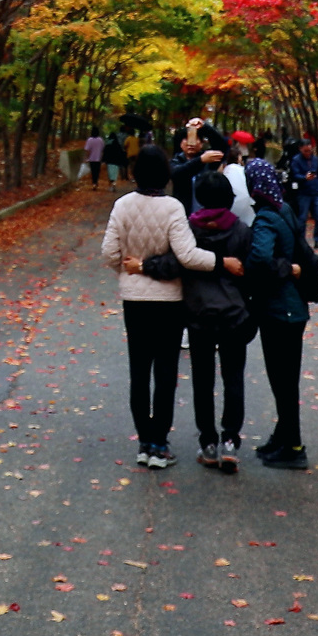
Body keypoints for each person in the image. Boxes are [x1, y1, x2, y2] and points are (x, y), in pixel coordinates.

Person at [101, 144, 218, 471]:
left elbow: (109, 254)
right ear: (166, 173)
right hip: (169, 302)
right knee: (166, 373)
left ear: (136, 172)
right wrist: (220, 262)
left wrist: (131, 269)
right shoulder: (173, 208)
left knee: (139, 371)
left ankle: (143, 441)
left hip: (134, 302)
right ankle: (159, 444)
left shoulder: (122, 205)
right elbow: (188, 256)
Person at [139, 170, 254, 473]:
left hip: (198, 314)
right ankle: (230, 441)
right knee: (233, 378)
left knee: (203, 381)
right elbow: (249, 273)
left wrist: (143, 265)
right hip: (233, 313)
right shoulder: (241, 230)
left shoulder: (189, 229)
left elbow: (174, 263)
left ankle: (209, 443)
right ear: (229, 197)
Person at [245, 157, 314, 469]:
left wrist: (285, 269)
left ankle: (294, 446)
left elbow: (260, 258)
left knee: (282, 380)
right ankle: (282, 437)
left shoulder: (265, 218)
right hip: (294, 309)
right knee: (286, 380)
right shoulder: (284, 209)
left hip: (278, 311)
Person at [290, 137, 318, 250]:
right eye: (305, 151)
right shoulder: (296, 160)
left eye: (310, 150)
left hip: (315, 192)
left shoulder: (315, 159)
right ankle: (301, 241)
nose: (308, 153)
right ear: (300, 149)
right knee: (302, 218)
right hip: (303, 193)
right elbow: (294, 175)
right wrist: (304, 178)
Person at [171, 121, 209, 213]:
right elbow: (177, 173)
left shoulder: (208, 160)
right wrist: (200, 161)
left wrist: (205, 126)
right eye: (186, 139)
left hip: (204, 214)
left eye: (195, 139)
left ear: (201, 143)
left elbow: (221, 146)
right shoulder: (175, 161)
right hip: (182, 213)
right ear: (180, 144)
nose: (190, 143)